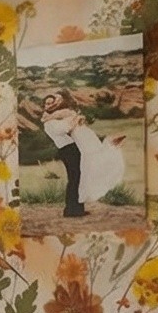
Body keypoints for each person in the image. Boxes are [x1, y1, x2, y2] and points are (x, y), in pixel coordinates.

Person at [27, 88, 128, 218]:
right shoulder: (50, 123)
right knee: (74, 179)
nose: (50, 105)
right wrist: (75, 119)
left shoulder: (55, 118)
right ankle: (71, 210)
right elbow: (66, 128)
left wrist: (75, 118)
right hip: (67, 150)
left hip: (72, 149)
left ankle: (77, 208)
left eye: (51, 102)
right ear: (44, 106)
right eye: (47, 103)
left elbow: (68, 120)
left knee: (77, 178)